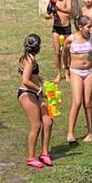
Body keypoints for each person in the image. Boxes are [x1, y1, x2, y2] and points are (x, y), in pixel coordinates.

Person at [17, 34, 54, 168]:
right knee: (36, 125)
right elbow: (25, 81)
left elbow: (32, 75)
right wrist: (39, 89)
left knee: (48, 121)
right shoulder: (29, 60)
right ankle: (31, 157)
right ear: (37, 47)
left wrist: (42, 80)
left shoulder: (29, 58)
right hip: (27, 94)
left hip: (36, 93)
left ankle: (44, 153)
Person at [65, 16, 92, 143]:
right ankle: (70, 133)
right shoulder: (71, 39)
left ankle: (90, 132)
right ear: (80, 28)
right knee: (76, 102)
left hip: (89, 71)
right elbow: (65, 54)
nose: (91, 29)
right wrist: (66, 70)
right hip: (76, 71)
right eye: (88, 27)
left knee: (88, 103)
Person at [43, 0, 74, 82]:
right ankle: (58, 74)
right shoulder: (53, 0)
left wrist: (58, 9)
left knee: (66, 52)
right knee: (57, 53)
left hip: (66, 28)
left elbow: (69, 11)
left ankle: (67, 73)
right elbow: (48, 13)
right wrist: (49, 16)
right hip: (56, 28)